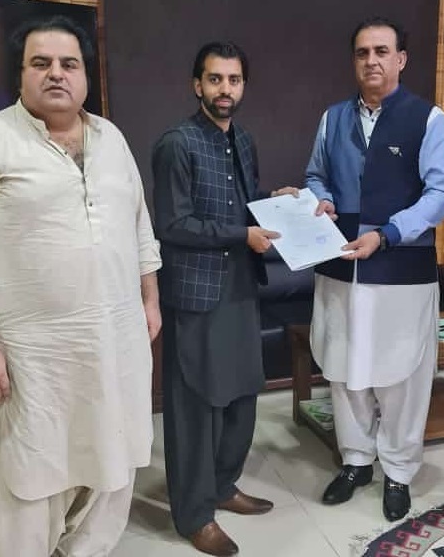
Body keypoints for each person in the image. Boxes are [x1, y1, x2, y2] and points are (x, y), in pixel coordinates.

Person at [0, 15, 162, 556]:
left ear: (85, 76)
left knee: (112, 469)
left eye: (69, 63)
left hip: (116, 346)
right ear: (20, 74)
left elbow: (140, 228)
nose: (56, 73)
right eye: (41, 63)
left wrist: (150, 301)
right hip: (31, 360)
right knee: (28, 481)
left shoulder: (112, 139)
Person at [304, 16, 444, 521]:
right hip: (339, 264)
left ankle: (398, 470)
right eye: (362, 52)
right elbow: (316, 174)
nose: (371, 60)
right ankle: (355, 462)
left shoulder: (428, 119)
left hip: (400, 268)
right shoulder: (332, 118)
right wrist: (323, 199)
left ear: (401, 59)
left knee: (400, 376)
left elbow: (441, 193)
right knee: (344, 369)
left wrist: (388, 232)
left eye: (382, 51)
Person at [152, 42, 298, 557]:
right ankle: (194, 514)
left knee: (240, 396)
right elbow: (173, 224)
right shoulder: (177, 144)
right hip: (196, 294)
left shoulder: (243, 139)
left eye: (234, 80)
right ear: (198, 85)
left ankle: (222, 486)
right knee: (196, 406)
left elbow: (242, 206)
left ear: (243, 86)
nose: (225, 89)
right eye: (215, 79)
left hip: (240, 287)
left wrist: (275, 204)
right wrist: (242, 235)